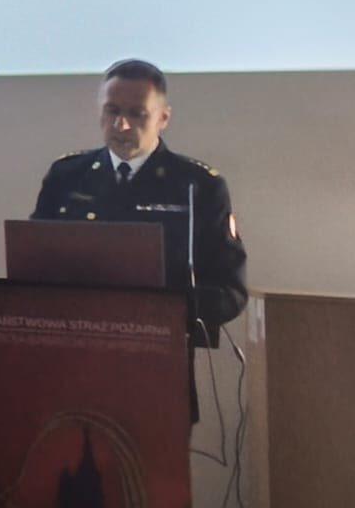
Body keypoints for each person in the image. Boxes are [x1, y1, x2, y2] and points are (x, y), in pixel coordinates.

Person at [32, 59, 248, 345]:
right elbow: (32, 267)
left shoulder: (198, 186)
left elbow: (231, 292)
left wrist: (162, 307)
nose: (121, 125)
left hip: (158, 348)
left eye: (137, 114)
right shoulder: (67, 175)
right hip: (73, 345)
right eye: (112, 111)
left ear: (163, 119)